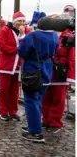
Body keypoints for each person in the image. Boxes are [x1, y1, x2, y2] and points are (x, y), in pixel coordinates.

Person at [18, 11, 59, 143]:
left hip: (33, 71)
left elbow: (22, 51)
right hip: (47, 69)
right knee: (38, 100)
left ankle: (36, 132)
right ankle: (33, 125)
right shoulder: (55, 36)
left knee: (31, 101)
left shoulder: (32, 36)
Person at [42, 7, 76, 133]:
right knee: (46, 97)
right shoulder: (46, 35)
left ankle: (55, 122)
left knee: (58, 99)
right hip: (46, 71)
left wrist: (71, 76)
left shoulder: (69, 37)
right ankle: (45, 120)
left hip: (60, 72)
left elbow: (72, 57)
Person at [0, 11, 29, 121]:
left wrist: (23, 35)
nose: (22, 23)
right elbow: (2, 46)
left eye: (24, 21)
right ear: (14, 21)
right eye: (20, 21)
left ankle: (13, 111)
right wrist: (18, 49)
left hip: (18, 66)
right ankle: (3, 111)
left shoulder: (26, 31)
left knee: (15, 90)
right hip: (6, 65)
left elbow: (28, 45)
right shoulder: (4, 30)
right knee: (4, 89)